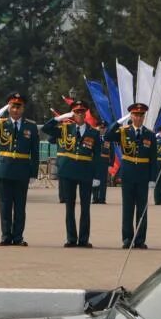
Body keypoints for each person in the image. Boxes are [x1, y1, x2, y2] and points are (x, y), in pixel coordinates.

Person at [0, 93, 40, 246]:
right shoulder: (0, 123)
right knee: (5, 205)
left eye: (18, 107)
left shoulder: (31, 126)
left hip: (22, 170)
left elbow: (35, 152)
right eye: (12, 106)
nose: (15, 109)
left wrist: (33, 172)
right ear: (8, 108)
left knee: (20, 206)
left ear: (23, 109)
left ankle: (18, 237)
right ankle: (6, 236)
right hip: (4, 169)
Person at [43, 100, 100, 248]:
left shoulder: (93, 132)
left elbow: (98, 157)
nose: (79, 115)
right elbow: (46, 128)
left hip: (85, 172)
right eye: (76, 112)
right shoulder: (64, 129)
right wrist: (60, 117)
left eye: (82, 112)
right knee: (70, 206)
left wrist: (97, 176)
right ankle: (71, 238)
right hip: (68, 172)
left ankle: (84, 239)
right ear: (72, 114)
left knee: (85, 207)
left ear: (85, 113)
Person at [106, 102, 157, 248]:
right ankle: (127, 238)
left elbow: (153, 159)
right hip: (128, 175)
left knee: (142, 209)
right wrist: (119, 122)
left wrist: (152, 178)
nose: (138, 118)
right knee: (127, 208)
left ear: (144, 117)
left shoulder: (150, 135)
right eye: (135, 115)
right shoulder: (123, 131)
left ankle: (140, 239)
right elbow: (108, 135)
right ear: (131, 116)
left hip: (143, 176)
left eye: (141, 115)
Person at [93, 121, 111, 204]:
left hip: (104, 162)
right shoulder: (93, 137)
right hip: (95, 162)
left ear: (106, 129)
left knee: (103, 181)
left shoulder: (108, 138)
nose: (102, 129)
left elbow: (112, 151)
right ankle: (95, 198)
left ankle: (102, 199)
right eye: (100, 128)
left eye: (103, 128)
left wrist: (111, 163)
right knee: (95, 180)